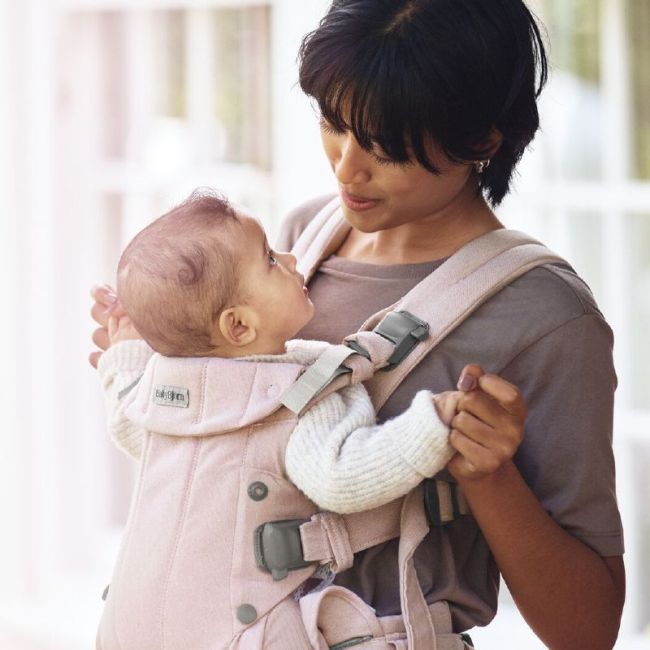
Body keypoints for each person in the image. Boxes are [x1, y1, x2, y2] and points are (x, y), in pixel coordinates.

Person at [91, 0, 625, 647]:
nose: (347, 168)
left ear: (482, 138)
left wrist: (490, 476)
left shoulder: (548, 320)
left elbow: (587, 630)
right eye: (333, 122)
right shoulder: (299, 243)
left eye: (384, 146)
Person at [95, 189, 473, 649]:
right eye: (271, 261)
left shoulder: (161, 395)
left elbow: (125, 414)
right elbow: (340, 476)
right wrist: (430, 426)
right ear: (238, 327)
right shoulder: (298, 398)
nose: (292, 258)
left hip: (126, 630)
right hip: (244, 636)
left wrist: (124, 351)